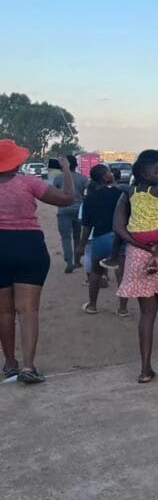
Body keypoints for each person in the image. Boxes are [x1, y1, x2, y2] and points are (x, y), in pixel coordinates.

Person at [0, 142, 74, 383]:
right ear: (16, 163)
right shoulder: (28, 183)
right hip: (29, 246)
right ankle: (28, 367)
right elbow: (67, 199)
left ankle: (10, 364)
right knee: (28, 310)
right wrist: (66, 171)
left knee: (4, 312)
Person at [114, 152, 158, 383]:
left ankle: (145, 369)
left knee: (146, 313)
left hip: (137, 256)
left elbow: (118, 227)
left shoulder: (129, 194)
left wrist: (138, 245)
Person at [78, 164, 126, 315]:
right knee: (121, 274)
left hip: (100, 238)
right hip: (120, 237)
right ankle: (123, 308)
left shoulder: (89, 198)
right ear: (105, 177)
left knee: (96, 273)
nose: (112, 174)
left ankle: (92, 305)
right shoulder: (120, 194)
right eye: (109, 172)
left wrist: (82, 245)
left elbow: (86, 226)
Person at [52, 154, 89, 273]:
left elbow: (55, 191)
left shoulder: (58, 178)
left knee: (66, 237)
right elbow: (87, 193)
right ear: (76, 165)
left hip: (63, 209)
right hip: (78, 210)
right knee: (77, 237)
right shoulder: (83, 178)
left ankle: (69, 262)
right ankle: (77, 261)